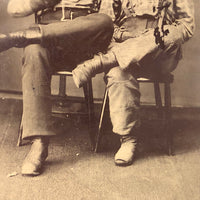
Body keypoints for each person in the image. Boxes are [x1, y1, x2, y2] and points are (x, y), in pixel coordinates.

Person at [72, 0, 195, 166]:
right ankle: (128, 139)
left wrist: (149, 39)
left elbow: (187, 27)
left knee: (165, 34)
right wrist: (128, 39)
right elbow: (106, 23)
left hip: (160, 55)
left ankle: (102, 62)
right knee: (117, 73)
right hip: (125, 49)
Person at [0, 0, 114, 176]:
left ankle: (23, 36)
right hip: (49, 47)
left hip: (82, 47)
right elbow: (13, 8)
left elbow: (110, 20)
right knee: (33, 51)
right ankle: (39, 143)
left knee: (104, 21)